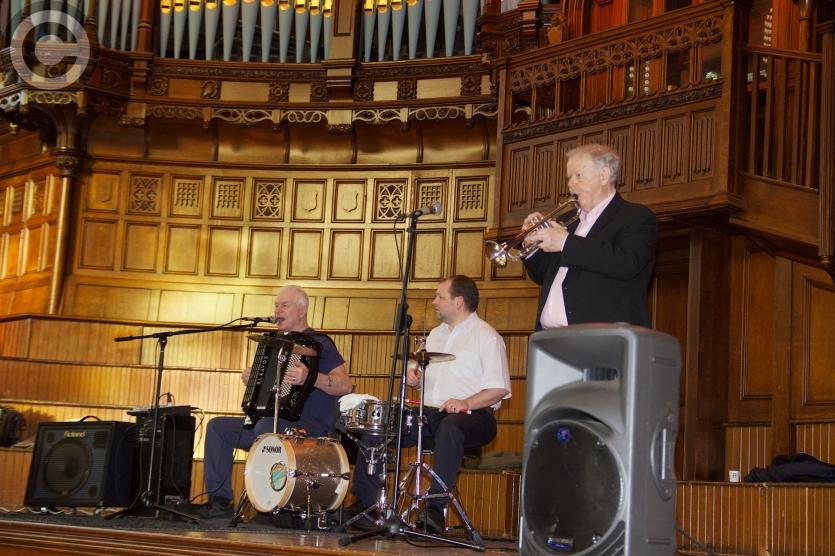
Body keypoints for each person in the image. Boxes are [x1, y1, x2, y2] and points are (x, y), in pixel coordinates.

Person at [345, 275, 511, 534]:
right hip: (431, 413)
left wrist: (465, 402)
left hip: (475, 415)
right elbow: (423, 375)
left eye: (439, 297)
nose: (434, 302)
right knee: (380, 422)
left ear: (458, 302)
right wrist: (416, 376)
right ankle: (366, 504)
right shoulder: (435, 335)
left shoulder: (486, 336)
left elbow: (499, 389)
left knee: (451, 427)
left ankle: (434, 509)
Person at [195, 285, 353, 518]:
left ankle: (269, 505)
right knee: (218, 427)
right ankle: (220, 502)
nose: (277, 310)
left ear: (301, 310)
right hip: (270, 425)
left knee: (265, 427)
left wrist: (309, 378)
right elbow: (267, 389)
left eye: (284, 305)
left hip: (309, 427)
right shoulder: (274, 345)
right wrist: (253, 377)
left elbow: (345, 385)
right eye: (276, 305)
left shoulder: (320, 343)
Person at [523, 144, 657, 329]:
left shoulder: (635, 217)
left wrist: (566, 242)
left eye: (578, 175)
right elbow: (542, 275)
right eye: (569, 177)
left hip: (602, 338)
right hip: (550, 339)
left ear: (604, 175)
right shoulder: (567, 220)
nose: (570, 183)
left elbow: (626, 263)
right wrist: (532, 246)